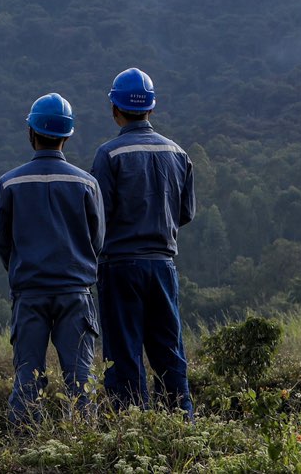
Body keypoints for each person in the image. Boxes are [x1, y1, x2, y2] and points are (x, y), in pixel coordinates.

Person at [0, 93, 105, 426]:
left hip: (30, 293)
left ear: (31, 132)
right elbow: (97, 240)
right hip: (75, 292)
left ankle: (26, 445)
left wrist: (22, 269)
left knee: (28, 374)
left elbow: (2, 241)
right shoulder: (87, 183)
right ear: (67, 135)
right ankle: (84, 439)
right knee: (81, 377)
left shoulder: (10, 183)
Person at [91, 67, 195, 416]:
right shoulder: (178, 153)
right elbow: (185, 213)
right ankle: (181, 426)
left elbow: (98, 218)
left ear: (115, 109)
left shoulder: (109, 155)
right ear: (151, 108)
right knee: (169, 351)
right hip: (162, 266)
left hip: (120, 267)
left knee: (124, 355)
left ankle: (132, 428)